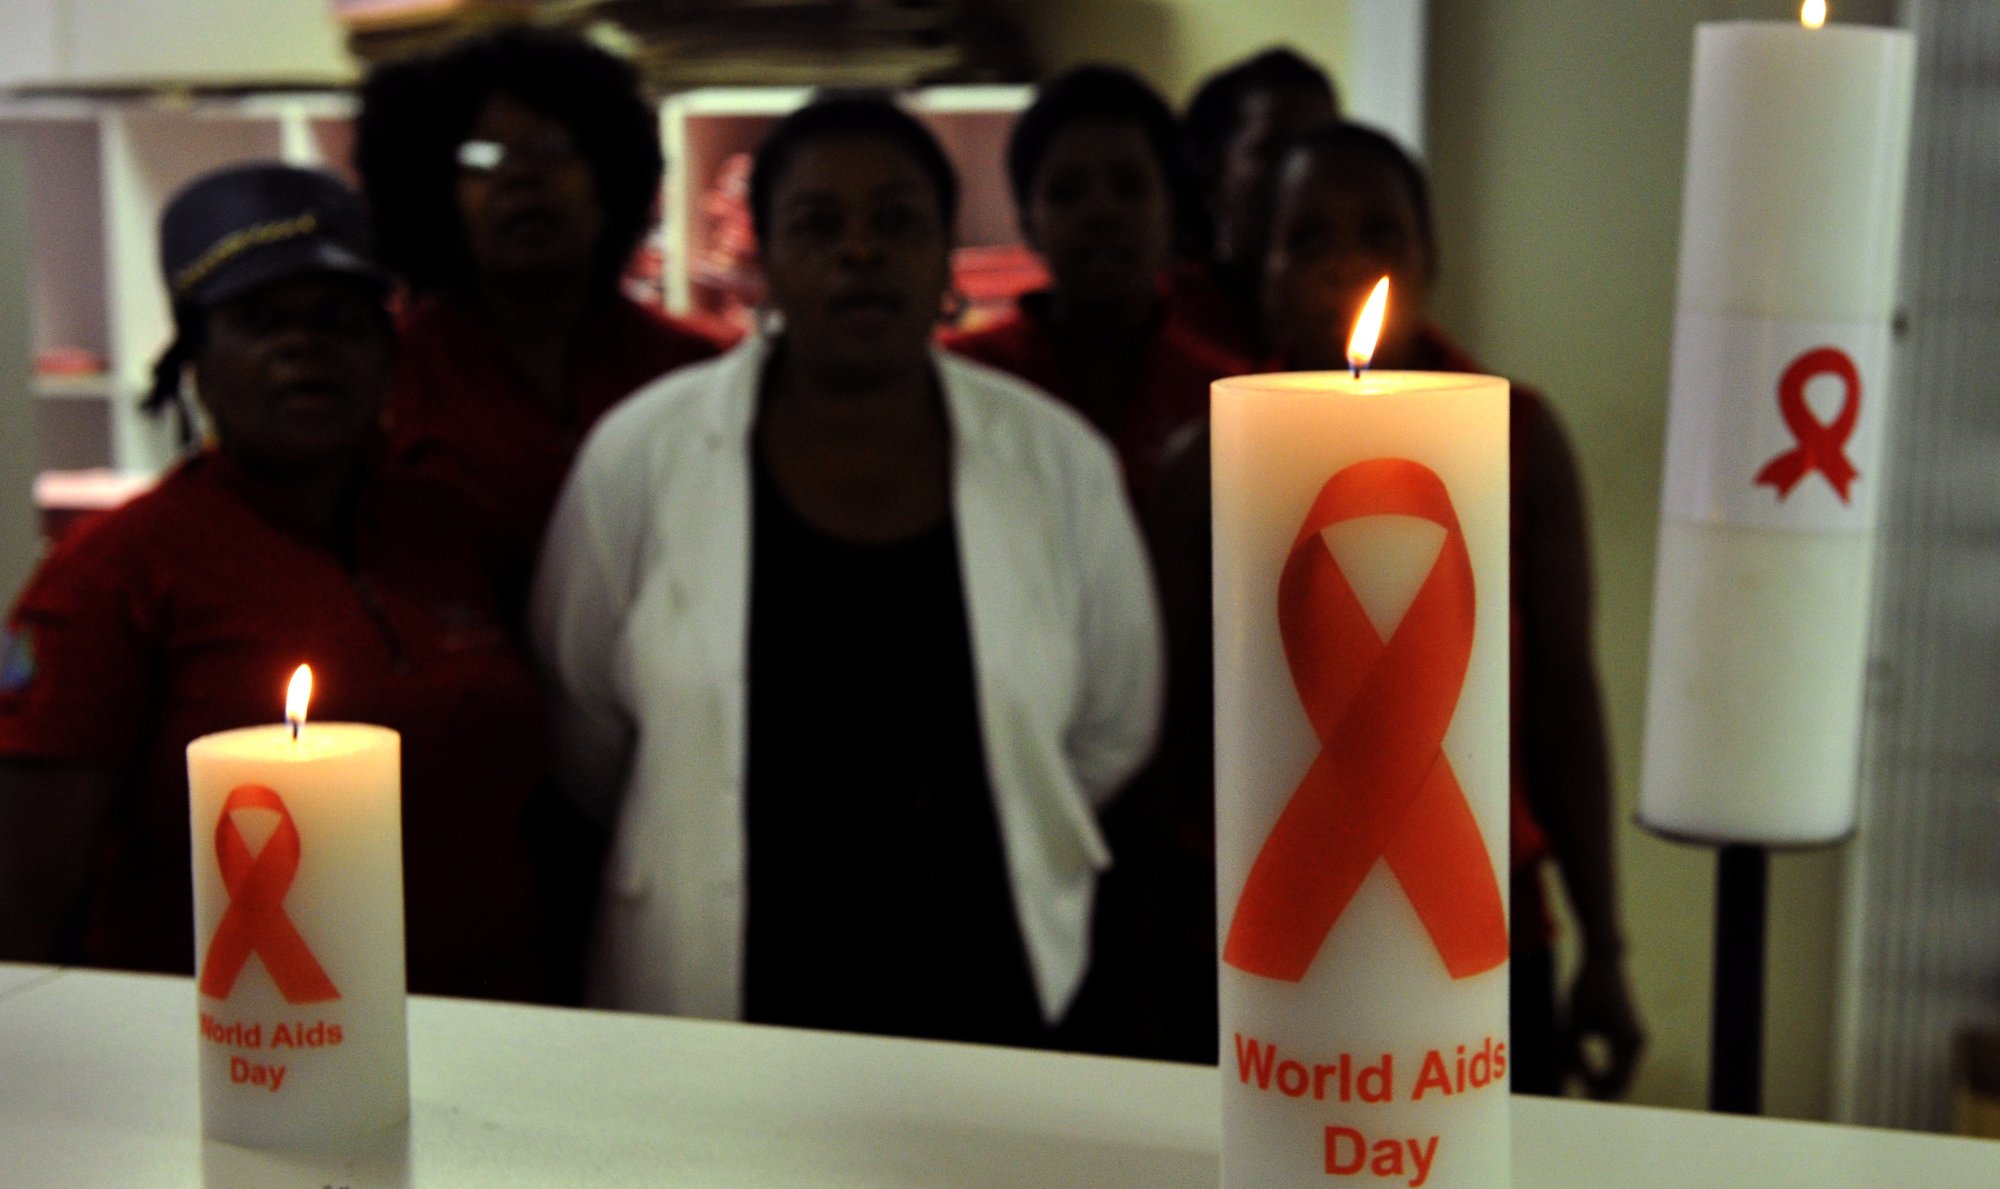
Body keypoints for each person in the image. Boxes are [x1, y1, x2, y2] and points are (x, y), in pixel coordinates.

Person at [530, 95, 1164, 1049]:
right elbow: (585, 718)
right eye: (818, 226)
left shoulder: (1058, 460)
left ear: (948, 253)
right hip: (720, 1005)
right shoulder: (641, 455)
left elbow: (1113, 723)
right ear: (766, 264)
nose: (861, 252)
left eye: (899, 222)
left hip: (990, 996)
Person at [1151, 122, 1647, 1092]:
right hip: (1252, 916)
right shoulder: (1204, 460)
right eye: (1307, 238)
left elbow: (1559, 700)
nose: (1344, 264)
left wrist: (1605, 943)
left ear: (1431, 259)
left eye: (1379, 235)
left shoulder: (1513, 438)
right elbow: (1170, 732)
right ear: (1260, 264)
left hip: (1472, 919)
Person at [0, 165, 556, 1002]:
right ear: (194, 360)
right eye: (258, 320)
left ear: (386, 348)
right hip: (242, 1046)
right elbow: (22, 896)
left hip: (492, 1023)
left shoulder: (460, 528)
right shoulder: (113, 572)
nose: (304, 346)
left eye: (338, 317)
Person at [354, 26, 730, 565]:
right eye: (481, 158)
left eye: (553, 149)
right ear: (432, 191)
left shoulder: (696, 370)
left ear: (612, 173)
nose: (521, 176)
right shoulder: (387, 384)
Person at [942, 65, 1247, 504]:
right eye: (1066, 192)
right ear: (1026, 220)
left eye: (1129, 187)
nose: (1100, 213)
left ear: (1173, 209)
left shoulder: (1228, 398)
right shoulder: (964, 379)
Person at [1170, 46, 1339, 362]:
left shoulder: (1383, 332)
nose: (1305, 171)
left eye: (1320, 147)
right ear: (1211, 171)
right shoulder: (1163, 326)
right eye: (1275, 148)